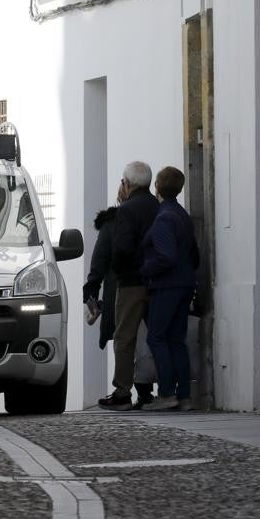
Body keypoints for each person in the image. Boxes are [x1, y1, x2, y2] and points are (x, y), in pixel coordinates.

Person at [98, 162, 160, 411]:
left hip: (132, 282)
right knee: (157, 336)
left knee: (124, 337)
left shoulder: (126, 209)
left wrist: (119, 271)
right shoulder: (158, 206)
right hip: (157, 281)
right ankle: (156, 391)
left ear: (127, 183)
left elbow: (122, 248)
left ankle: (122, 391)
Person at [83, 197, 155, 408]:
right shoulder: (155, 213)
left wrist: (92, 291)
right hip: (154, 284)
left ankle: (124, 392)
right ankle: (146, 392)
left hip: (123, 287)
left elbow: (100, 259)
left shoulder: (112, 223)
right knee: (148, 340)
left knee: (125, 340)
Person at [140, 167, 201, 412]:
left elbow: (166, 256)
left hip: (167, 286)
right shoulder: (182, 215)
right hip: (185, 283)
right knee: (177, 339)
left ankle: (167, 393)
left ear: (157, 186)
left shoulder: (164, 217)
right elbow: (194, 254)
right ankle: (184, 396)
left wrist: (145, 269)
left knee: (156, 337)